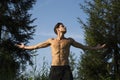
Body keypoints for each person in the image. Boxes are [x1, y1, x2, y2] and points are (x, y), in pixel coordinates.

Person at [16, 22, 106, 80]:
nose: (65, 27)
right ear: (58, 29)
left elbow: (83, 47)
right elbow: (36, 46)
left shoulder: (69, 40)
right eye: (63, 26)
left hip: (66, 68)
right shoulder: (51, 40)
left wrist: (96, 48)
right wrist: (24, 47)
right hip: (54, 68)